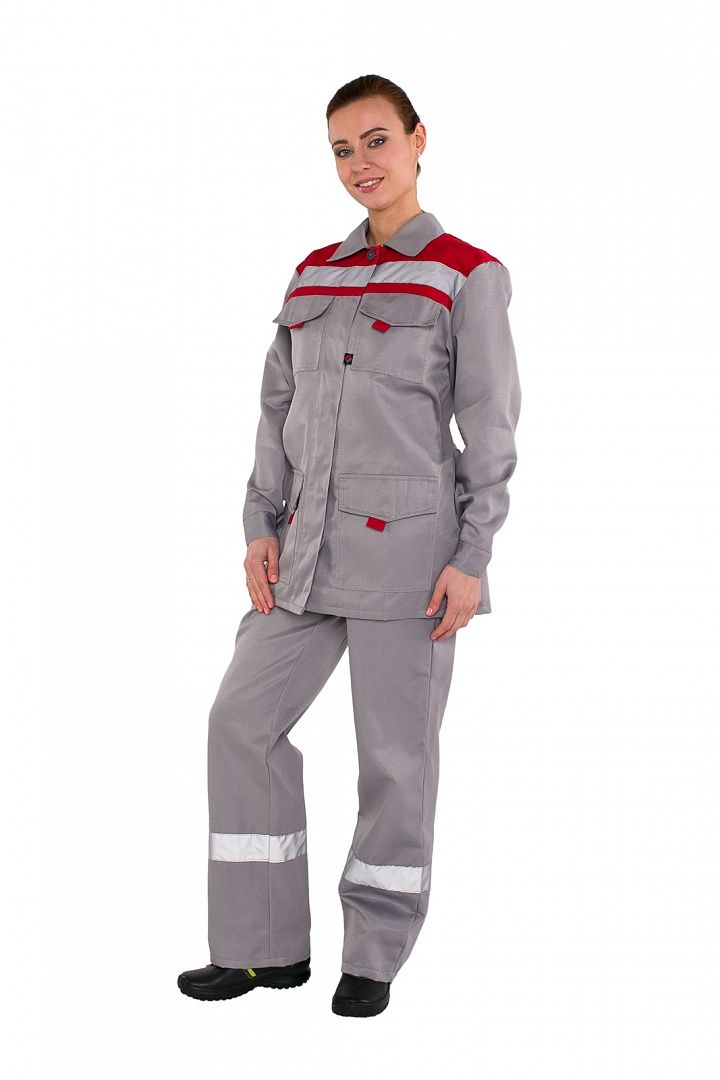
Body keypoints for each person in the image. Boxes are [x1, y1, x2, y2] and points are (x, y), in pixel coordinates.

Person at [177, 74, 521, 1018]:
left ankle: (373, 951)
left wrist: (473, 557)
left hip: (412, 562)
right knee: (239, 723)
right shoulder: (312, 274)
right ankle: (262, 949)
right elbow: (275, 410)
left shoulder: (465, 273)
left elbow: (490, 432)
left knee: (393, 760)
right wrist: (258, 524)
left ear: (418, 139)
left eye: (376, 140)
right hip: (302, 553)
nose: (360, 163)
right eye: (341, 149)